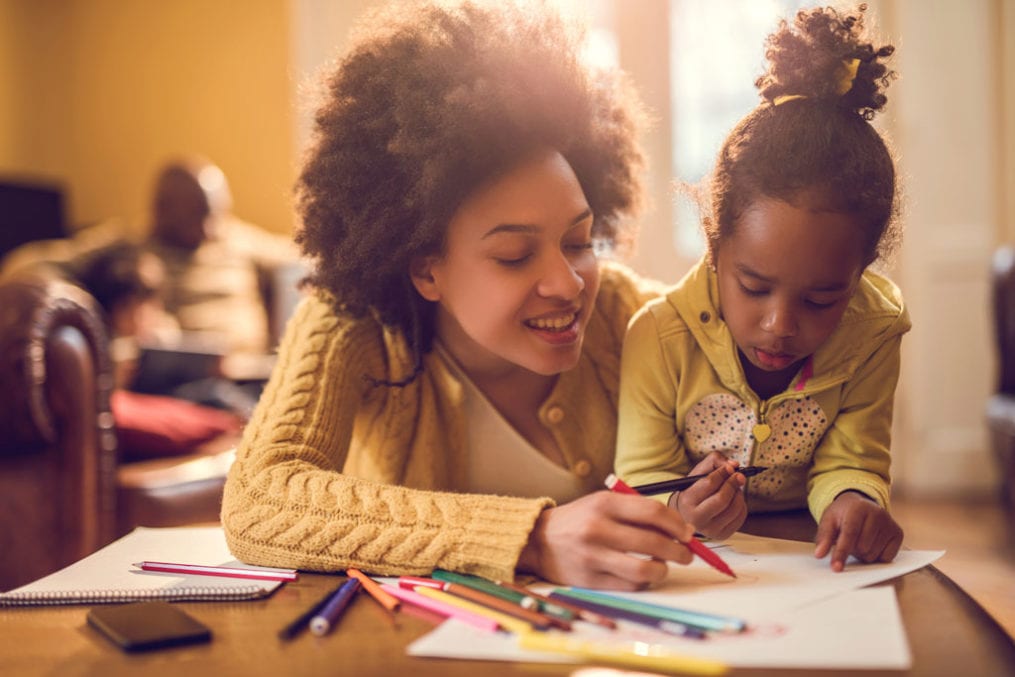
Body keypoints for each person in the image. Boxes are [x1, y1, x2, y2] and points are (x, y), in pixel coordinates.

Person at [221, 0, 697, 589]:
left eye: (577, 241)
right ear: (427, 271)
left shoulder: (631, 316)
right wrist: (532, 539)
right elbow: (260, 501)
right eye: (515, 256)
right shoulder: (358, 326)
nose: (567, 283)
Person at [614, 5, 908, 573]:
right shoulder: (657, 335)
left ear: (862, 270)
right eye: (753, 286)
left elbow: (855, 456)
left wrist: (854, 499)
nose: (780, 323)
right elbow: (642, 476)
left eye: (822, 299)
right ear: (715, 247)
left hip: (808, 556)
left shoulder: (874, 333)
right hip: (696, 562)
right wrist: (680, 504)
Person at [68, 241, 243, 460]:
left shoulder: (160, 327)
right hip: (150, 404)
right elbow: (112, 401)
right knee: (217, 397)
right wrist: (119, 378)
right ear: (119, 306)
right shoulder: (96, 344)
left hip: (180, 395)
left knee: (217, 391)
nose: (151, 312)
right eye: (142, 304)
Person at [144, 156, 300, 356]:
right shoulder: (138, 251)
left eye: (215, 215)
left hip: (248, 369)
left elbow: (301, 257)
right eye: (197, 216)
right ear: (163, 210)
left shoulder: (239, 239)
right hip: (177, 372)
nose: (208, 228)